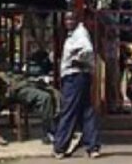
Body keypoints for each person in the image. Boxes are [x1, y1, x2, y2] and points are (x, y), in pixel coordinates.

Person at [53, 12, 101, 159]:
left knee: (68, 111)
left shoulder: (80, 33)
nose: (68, 22)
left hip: (75, 77)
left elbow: (87, 50)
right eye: (66, 19)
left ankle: (60, 147)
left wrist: (77, 60)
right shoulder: (74, 34)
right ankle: (92, 147)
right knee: (86, 111)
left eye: (71, 18)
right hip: (80, 77)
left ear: (77, 19)